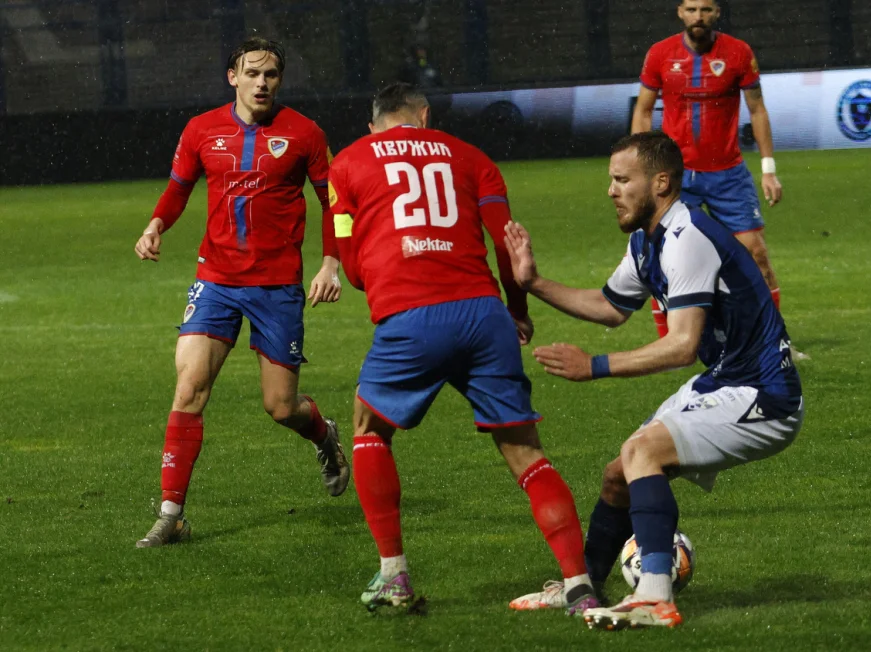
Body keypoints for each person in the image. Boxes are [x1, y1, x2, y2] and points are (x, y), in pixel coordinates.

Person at [505, 132, 803, 630]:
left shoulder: (689, 239)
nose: (611, 191)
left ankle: (654, 595)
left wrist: (593, 366)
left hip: (765, 394)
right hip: (727, 380)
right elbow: (609, 308)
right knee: (619, 472)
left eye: (622, 180)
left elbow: (682, 345)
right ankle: (583, 588)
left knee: (642, 451)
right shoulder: (647, 240)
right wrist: (533, 283)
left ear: (660, 183)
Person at [327, 83, 600, 614]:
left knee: (368, 428)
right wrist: (516, 310)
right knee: (526, 453)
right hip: (483, 313)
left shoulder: (350, 162)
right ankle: (579, 584)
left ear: (374, 124)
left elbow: (353, 266)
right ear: (425, 116)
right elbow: (506, 243)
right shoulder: (473, 158)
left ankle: (393, 577)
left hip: (411, 318)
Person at [133, 38, 347, 548]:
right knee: (189, 388)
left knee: (280, 407)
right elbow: (180, 187)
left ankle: (321, 432)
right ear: (233, 76)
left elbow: (334, 202)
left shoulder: (305, 134)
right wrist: (157, 223)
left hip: (277, 287)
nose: (262, 82)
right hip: (217, 281)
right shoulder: (201, 129)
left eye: (271, 74)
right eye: (252, 73)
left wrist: (332, 263)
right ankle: (171, 515)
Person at [631, 0, 799, 360]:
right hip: (676, 176)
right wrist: (641, 170)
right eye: (691, 9)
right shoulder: (660, 54)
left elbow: (757, 109)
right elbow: (643, 110)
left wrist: (768, 168)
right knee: (665, 258)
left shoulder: (738, 53)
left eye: (706, 9)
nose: (698, 17)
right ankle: (669, 344)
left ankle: (775, 343)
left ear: (717, 13)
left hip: (728, 173)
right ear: (679, 12)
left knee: (756, 253)